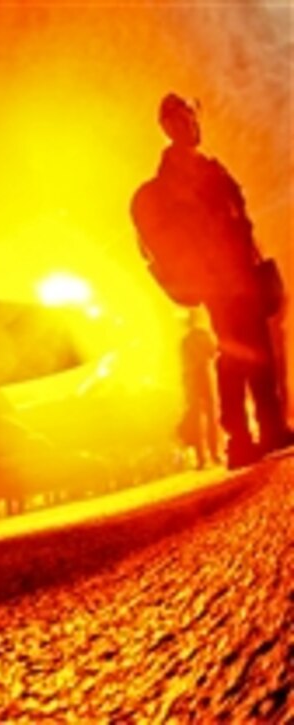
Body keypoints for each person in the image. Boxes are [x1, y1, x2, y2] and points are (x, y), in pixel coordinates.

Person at [131, 93, 290, 468]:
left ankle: (271, 426)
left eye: (191, 118)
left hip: (242, 273)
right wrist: (204, 275)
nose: (190, 126)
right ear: (167, 128)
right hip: (217, 281)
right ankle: (238, 439)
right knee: (234, 354)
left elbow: (240, 221)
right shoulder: (171, 182)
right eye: (180, 121)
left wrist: (256, 263)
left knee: (260, 352)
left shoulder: (213, 168)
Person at [178, 307, 221, 469]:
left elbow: (183, 364)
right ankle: (215, 453)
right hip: (205, 374)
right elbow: (214, 351)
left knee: (197, 420)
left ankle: (202, 458)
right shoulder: (204, 335)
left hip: (191, 379)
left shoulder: (185, 341)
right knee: (212, 416)